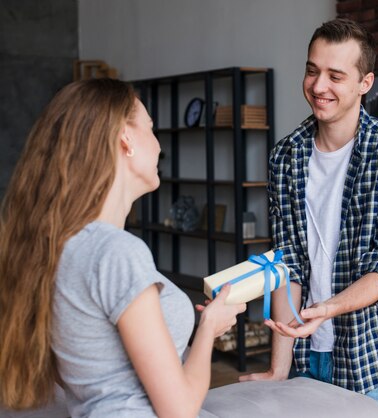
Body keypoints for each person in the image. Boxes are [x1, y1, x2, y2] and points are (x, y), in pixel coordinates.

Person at [0, 78, 245, 417]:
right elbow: (180, 410)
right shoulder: (116, 252)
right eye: (150, 128)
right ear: (125, 138)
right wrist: (209, 329)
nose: (159, 146)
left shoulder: (57, 244)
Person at [241, 18, 378, 418]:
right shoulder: (285, 156)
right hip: (307, 355)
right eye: (312, 70)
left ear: (365, 82)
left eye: (335, 76)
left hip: (371, 358)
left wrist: (326, 309)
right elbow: (287, 261)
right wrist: (279, 365)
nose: (318, 86)